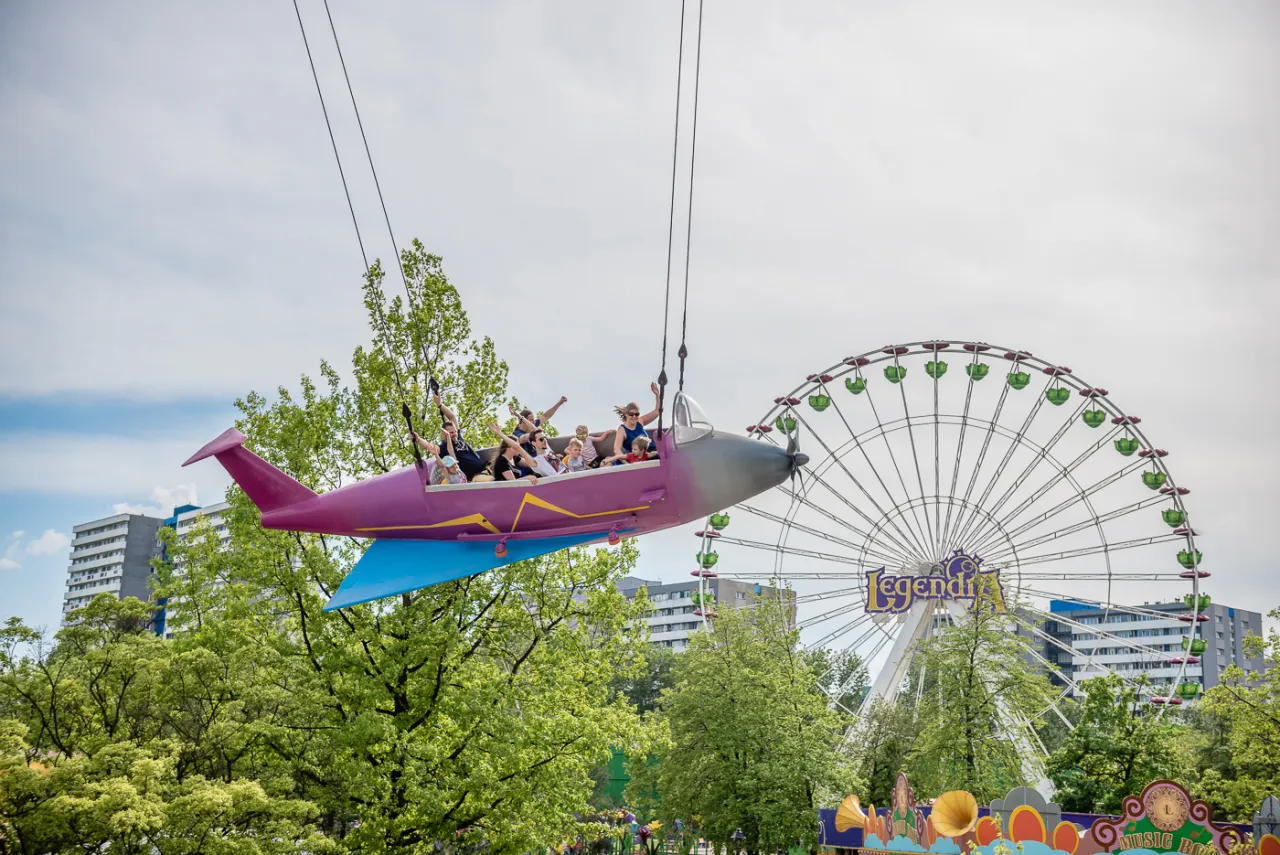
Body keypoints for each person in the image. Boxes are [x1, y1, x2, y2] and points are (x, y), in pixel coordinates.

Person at [433, 393, 490, 481]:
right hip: (475, 477)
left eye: (455, 431)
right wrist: (417, 439)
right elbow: (429, 447)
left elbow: (452, 417)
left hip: (485, 468)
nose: (454, 433)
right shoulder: (444, 448)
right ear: (444, 434)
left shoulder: (458, 438)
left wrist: (440, 404)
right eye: (451, 432)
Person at [611, 382, 662, 462]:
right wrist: (626, 463)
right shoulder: (622, 430)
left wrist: (657, 395)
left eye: (637, 414)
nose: (634, 416)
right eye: (631, 414)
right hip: (639, 458)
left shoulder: (640, 421)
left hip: (652, 451)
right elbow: (616, 449)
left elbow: (657, 412)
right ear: (626, 414)